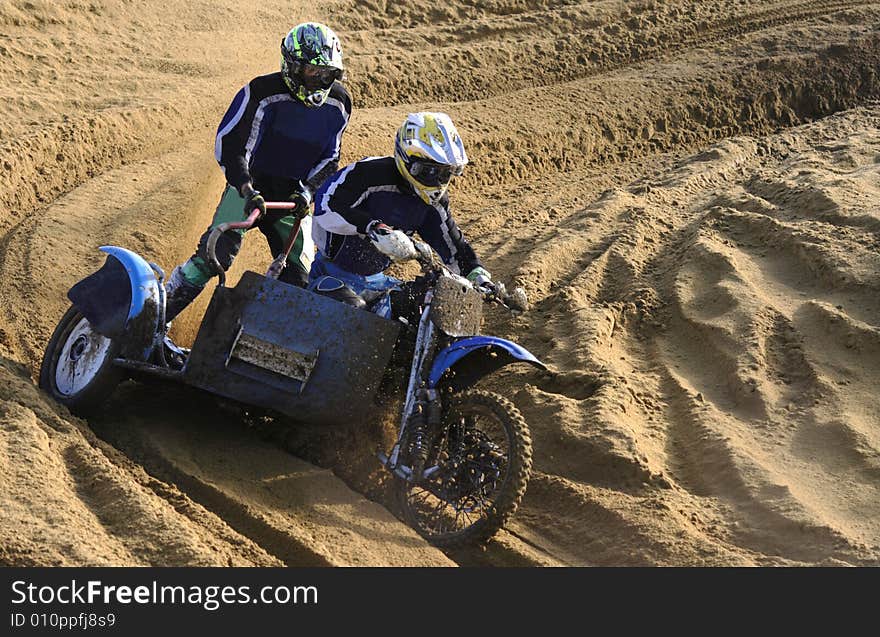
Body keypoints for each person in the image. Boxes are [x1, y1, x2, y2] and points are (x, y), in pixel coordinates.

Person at [163, 22, 351, 322]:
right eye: (312, 72)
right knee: (213, 257)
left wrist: (308, 191)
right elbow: (231, 145)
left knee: (301, 279)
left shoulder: (339, 104)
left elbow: (330, 158)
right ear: (291, 66)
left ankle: (263, 346)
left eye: (326, 74)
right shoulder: (262, 92)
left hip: (292, 197)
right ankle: (156, 317)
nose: (319, 80)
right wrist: (247, 189)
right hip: (250, 188)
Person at [308, 111, 495, 321]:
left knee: (426, 306)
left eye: (445, 173)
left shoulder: (432, 202)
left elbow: (453, 245)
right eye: (430, 171)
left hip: (377, 282)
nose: (437, 181)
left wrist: (478, 275)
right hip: (330, 275)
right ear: (408, 159)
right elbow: (326, 205)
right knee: (355, 315)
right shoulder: (369, 173)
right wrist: (372, 227)